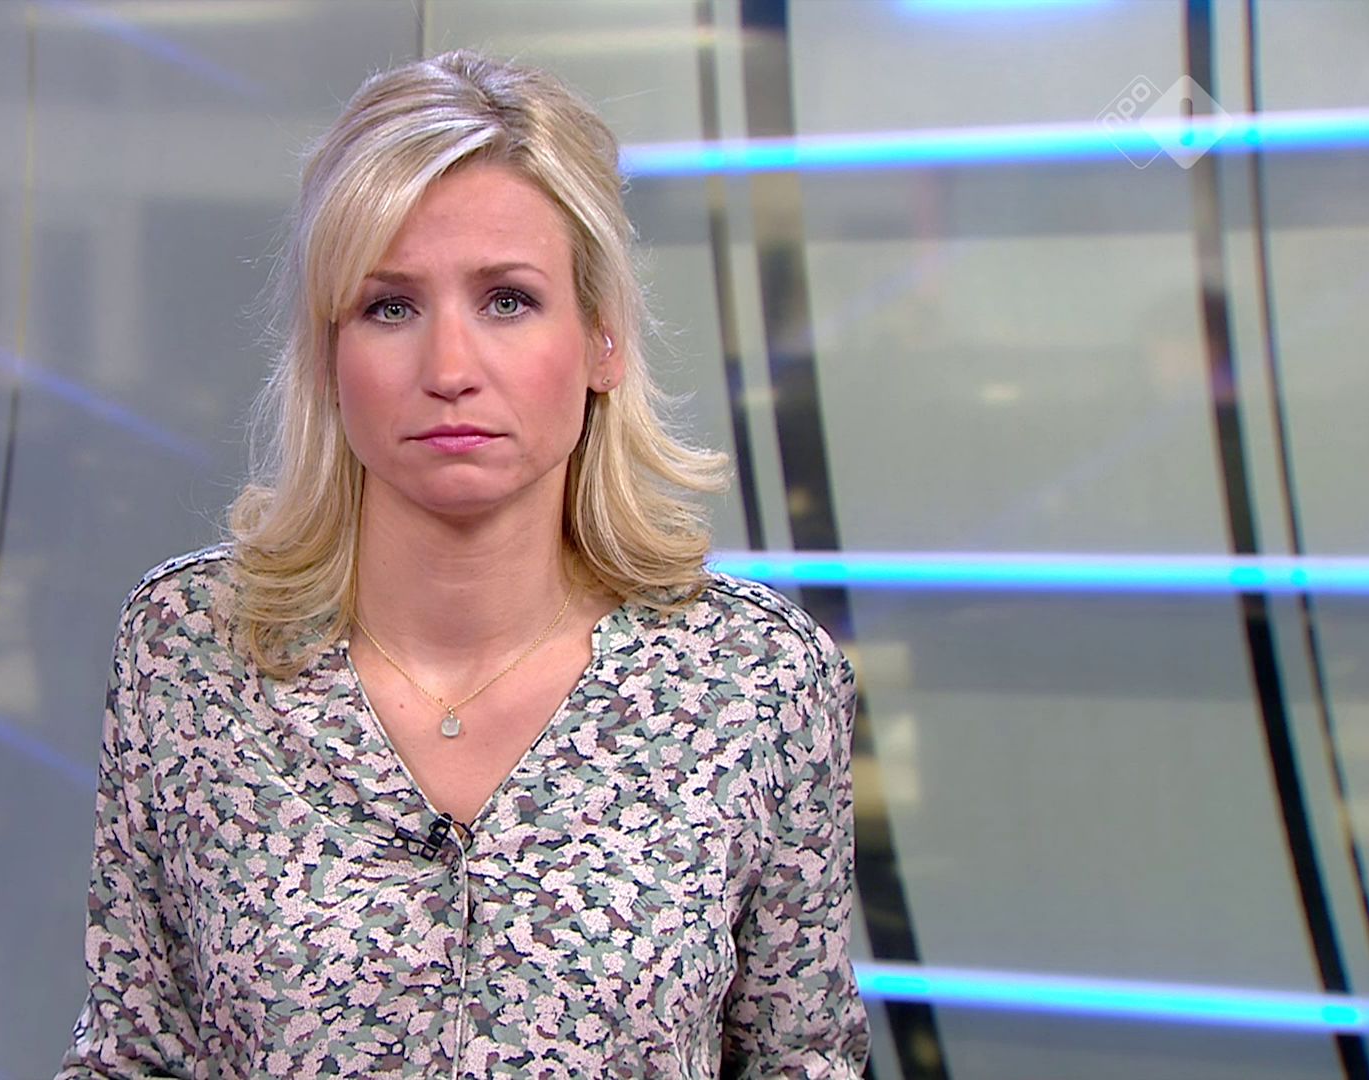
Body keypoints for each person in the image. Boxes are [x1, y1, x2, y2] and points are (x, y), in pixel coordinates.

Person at [57, 50, 868, 1079]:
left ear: (602, 339)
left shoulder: (753, 679)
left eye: (508, 301)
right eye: (390, 308)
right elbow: (133, 1056)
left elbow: (807, 1062)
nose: (448, 370)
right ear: (328, 354)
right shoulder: (190, 650)